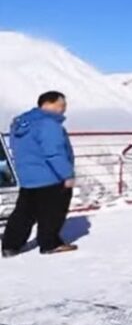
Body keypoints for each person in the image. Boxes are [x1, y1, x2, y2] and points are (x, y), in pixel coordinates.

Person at [2, 91, 78, 257]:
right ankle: (50, 243)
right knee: (53, 212)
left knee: (24, 212)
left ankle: (10, 245)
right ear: (49, 104)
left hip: (28, 176)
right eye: (62, 104)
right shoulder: (48, 124)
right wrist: (67, 174)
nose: (64, 109)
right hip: (51, 176)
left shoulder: (21, 123)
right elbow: (54, 153)